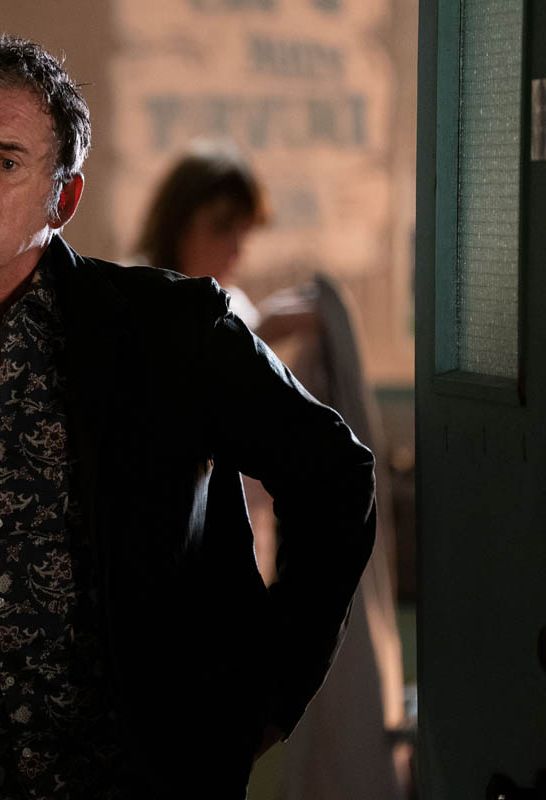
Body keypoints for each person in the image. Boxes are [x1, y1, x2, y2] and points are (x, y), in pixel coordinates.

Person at [0, 33, 377, 799]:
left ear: (62, 199)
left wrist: (269, 696)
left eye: (7, 161)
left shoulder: (169, 331)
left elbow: (336, 476)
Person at [139, 141, 409, 799]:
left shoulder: (229, 311)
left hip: (240, 565)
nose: (236, 247)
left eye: (243, 231)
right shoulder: (141, 309)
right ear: (180, 223)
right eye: (220, 228)